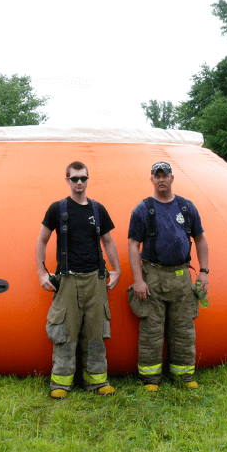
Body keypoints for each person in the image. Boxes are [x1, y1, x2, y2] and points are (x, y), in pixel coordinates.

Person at [36, 161, 121, 399]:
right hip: (67, 281)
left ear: (88, 179)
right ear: (67, 181)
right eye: (74, 179)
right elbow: (42, 240)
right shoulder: (57, 209)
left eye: (83, 178)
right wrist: (42, 273)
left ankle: (97, 382)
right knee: (65, 332)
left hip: (96, 280)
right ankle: (61, 385)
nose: (79, 183)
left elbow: (108, 242)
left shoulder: (98, 210)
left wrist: (116, 270)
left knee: (96, 333)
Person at [127, 161, 209, 392]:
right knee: (151, 331)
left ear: (172, 178)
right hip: (152, 277)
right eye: (157, 175)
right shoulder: (142, 209)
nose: (161, 179)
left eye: (165, 175)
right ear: (151, 179)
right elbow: (133, 245)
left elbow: (200, 239)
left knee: (184, 330)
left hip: (182, 277)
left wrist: (203, 271)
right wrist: (138, 281)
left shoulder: (186, 207)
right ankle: (150, 379)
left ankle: (184, 375)